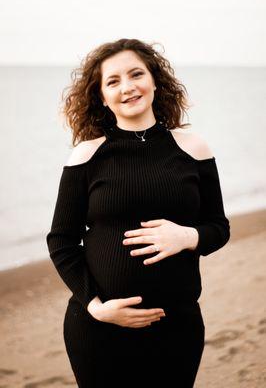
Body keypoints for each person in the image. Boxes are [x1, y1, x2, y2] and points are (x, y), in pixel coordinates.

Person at [46, 38, 230, 388]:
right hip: (100, 330)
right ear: (101, 96)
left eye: (136, 74)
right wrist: (95, 306)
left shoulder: (193, 148)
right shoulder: (87, 156)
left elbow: (218, 228)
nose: (127, 87)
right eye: (113, 81)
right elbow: (61, 241)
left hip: (177, 327)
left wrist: (187, 236)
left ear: (155, 81)